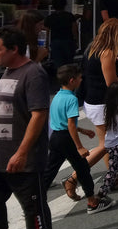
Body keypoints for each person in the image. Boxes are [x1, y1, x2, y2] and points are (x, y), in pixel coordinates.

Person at [0, 27, 54, 229]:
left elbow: (39, 115)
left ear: (14, 49)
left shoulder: (33, 74)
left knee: (32, 205)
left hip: (24, 157)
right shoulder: (8, 70)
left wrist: (22, 152)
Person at [42, 64, 111, 213]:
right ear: (72, 80)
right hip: (66, 139)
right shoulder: (72, 99)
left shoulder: (57, 97)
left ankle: (36, 201)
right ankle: (92, 202)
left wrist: (83, 130)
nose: (81, 80)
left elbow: (62, 121)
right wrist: (79, 146)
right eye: (80, 78)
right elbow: (71, 124)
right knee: (83, 169)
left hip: (55, 137)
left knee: (49, 171)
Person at [80, 19, 118, 186]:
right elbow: (112, 83)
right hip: (103, 103)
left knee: (106, 142)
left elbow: (98, 67)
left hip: (92, 100)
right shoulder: (107, 52)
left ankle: (115, 178)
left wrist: (116, 61)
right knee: (106, 144)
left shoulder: (93, 47)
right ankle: (75, 175)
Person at [44, 0, 77, 68]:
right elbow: (74, 29)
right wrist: (75, 40)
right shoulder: (70, 16)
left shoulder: (50, 18)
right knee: (69, 63)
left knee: (58, 64)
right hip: (68, 41)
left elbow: (46, 33)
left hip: (55, 42)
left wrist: (46, 45)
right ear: (64, 5)